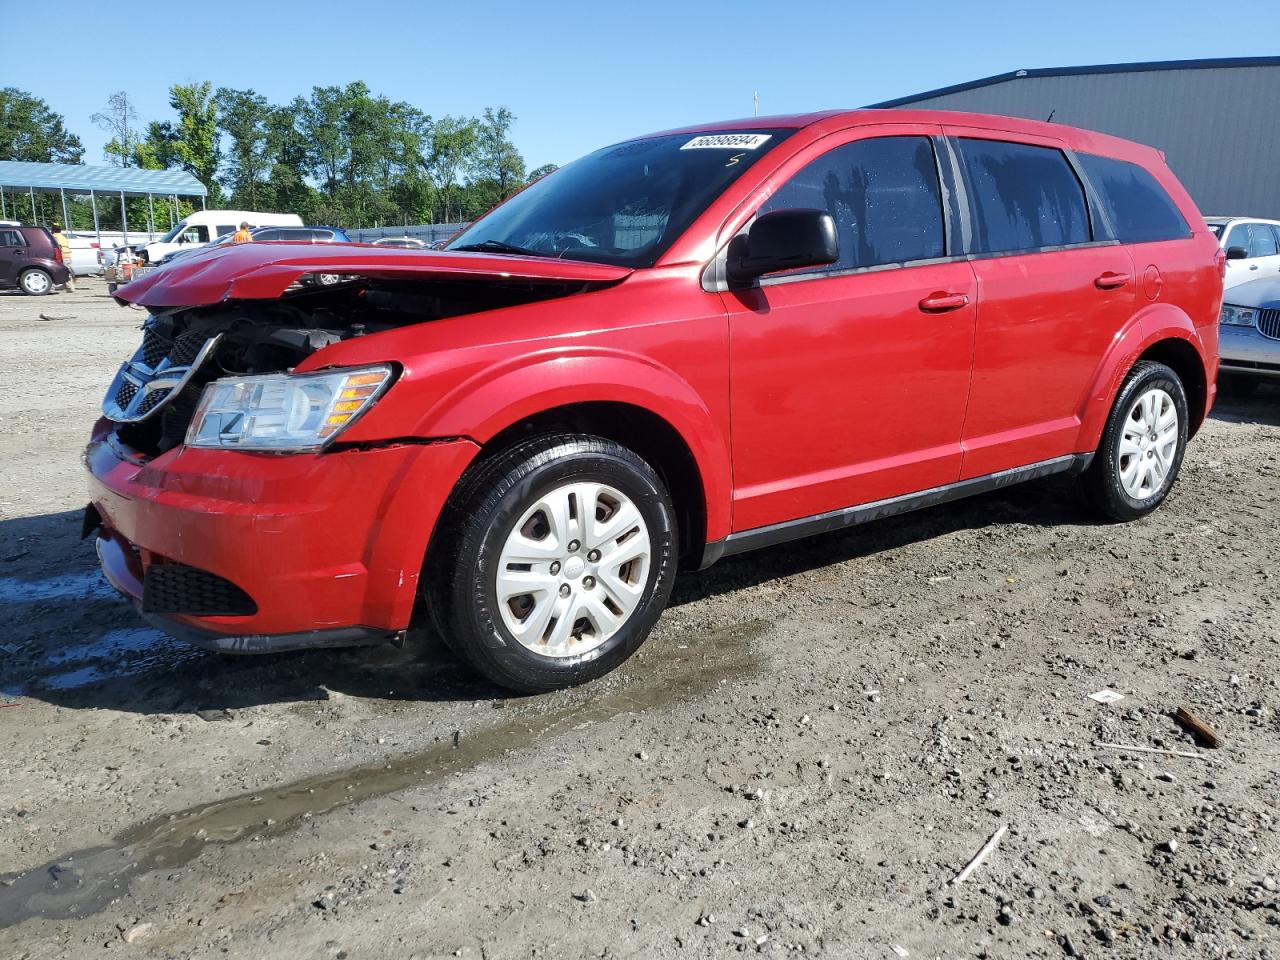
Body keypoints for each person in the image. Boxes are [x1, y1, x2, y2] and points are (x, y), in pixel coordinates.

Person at [51, 223, 76, 292]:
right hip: (68, 255)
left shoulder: (53, 236)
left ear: (53, 229)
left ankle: (70, 287)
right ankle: (65, 285)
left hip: (62, 255)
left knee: (64, 272)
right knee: (66, 270)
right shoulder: (63, 237)